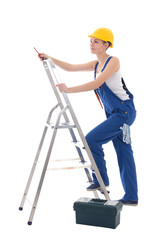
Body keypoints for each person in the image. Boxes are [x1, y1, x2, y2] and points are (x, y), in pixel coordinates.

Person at [39, 27, 138, 205]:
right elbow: (70, 67)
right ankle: (131, 197)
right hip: (114, 113)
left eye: (96, 41)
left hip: (124, 112)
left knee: (91, 140)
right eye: (91, 41)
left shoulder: (113, 61)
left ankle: (101, 180)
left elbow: (97, 83)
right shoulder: (95, 65)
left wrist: (69, 90)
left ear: (106, 45)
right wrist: (49, 57)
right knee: (124, 153)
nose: (92, 44)